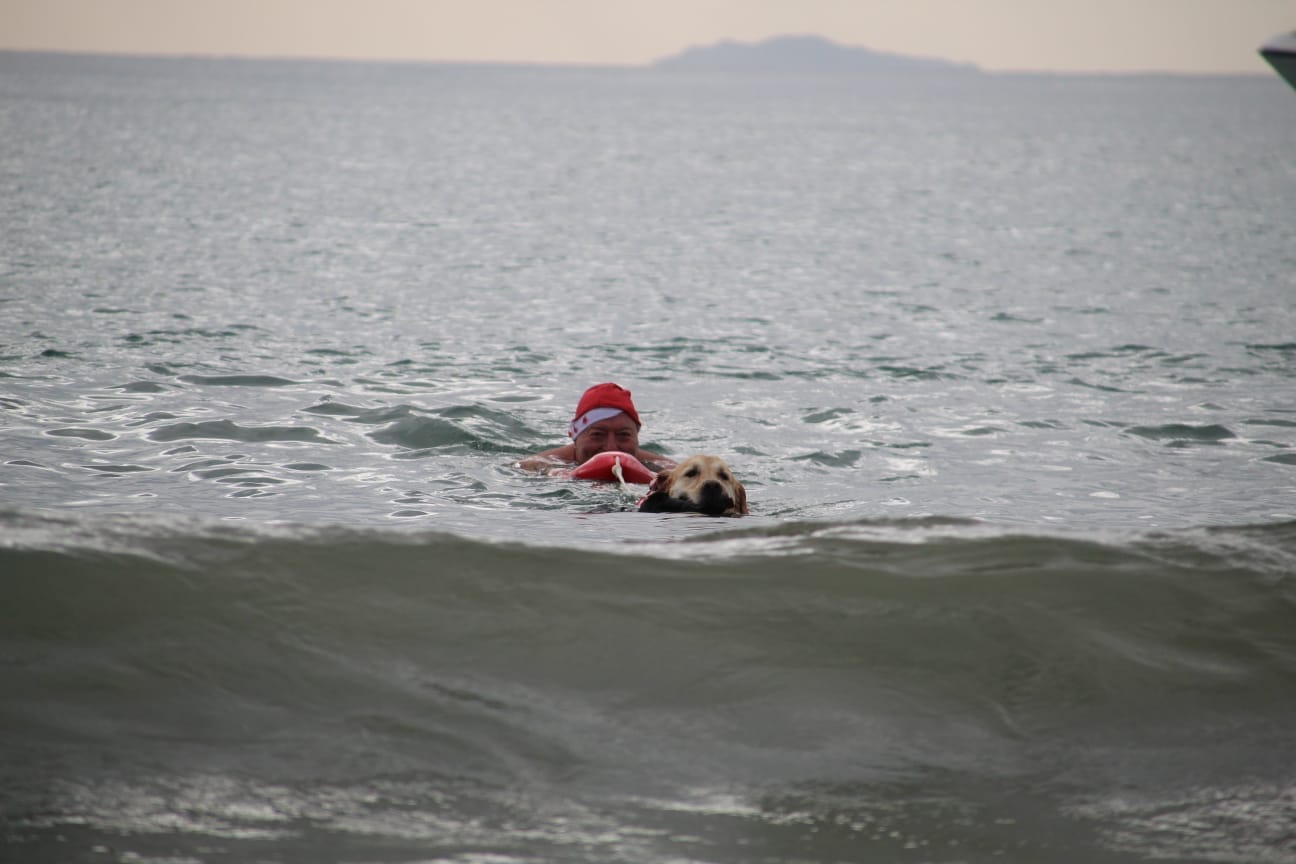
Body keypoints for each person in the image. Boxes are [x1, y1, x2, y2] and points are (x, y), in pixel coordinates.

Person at [517, 382, 676, 473]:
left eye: (623, 435)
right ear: (575, 437)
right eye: (598, 435)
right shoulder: (538, 466)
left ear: (636, 436)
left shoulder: (665, 470)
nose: (611, 447)